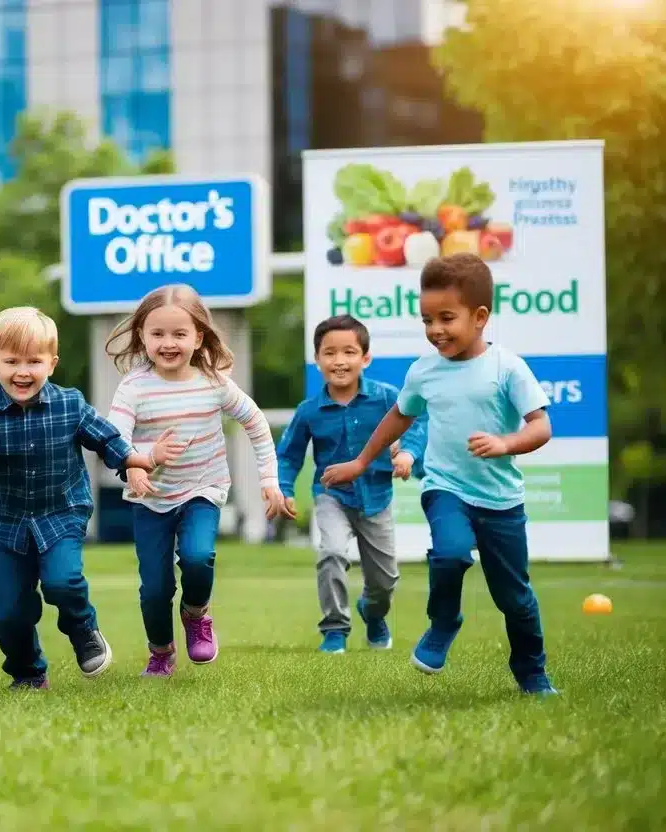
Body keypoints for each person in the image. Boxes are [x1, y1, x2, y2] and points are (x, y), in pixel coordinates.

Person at [322, 253, 557, 696]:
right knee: (449, 554)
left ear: (481, 316)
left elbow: (541, 425)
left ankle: (532, 672)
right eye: (427, 319)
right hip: (446, 488)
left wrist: (505, 443)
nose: (435, 330)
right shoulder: (424, 371)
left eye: (446, 318)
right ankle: (443, 622)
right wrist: (359, 462)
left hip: (502, 500)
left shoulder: (507, 367)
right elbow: (397, 418)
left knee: (515, 598)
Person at [0, 306, 183, 689]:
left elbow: (107, 440)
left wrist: (143, 459)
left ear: (52, 362)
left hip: (62, 511)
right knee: (7, 612)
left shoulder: (69, 404)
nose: (23, 371)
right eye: (11, 361)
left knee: (63, 582)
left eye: (34, 361)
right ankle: (29, 671)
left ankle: (83, 628)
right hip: (10, 523)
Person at [105, 284, 290, 678]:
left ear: (198, 337)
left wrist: (269, 481)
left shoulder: (213, 383)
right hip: (149, 499)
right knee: (154, 588)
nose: (168, 343)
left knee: (197, 556)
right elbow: (114, 436)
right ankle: (161, 652)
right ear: (142, 336)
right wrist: (133, 465)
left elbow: (256, 424)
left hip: (202, 489)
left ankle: (196, 613)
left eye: (179, 334)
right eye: (157, 334)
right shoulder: (134, 387)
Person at [275, 314, 427, 654]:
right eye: (329, 353)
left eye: (348, 352)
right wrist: (283, 489)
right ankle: (334, 629)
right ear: (317, 360)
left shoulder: (388, 398)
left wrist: (409, 455)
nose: (339, 361)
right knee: (330, 553)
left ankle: (373, 614)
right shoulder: (309, 411)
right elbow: (288, 456)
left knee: (385, 580)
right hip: (331, 496)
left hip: (376, 497)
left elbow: (417, 421)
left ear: (365, 358)